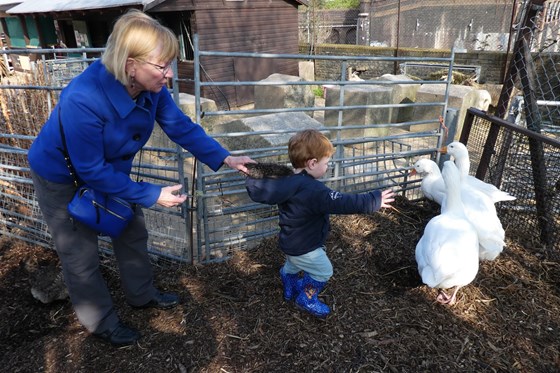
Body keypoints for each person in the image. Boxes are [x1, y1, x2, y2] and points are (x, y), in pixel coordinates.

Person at [27, 9, 254, 347]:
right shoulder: (83, 99)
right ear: (130, 64)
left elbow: (179, 126)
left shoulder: (151, 88)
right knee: (79, 253)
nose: (170, 74)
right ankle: (100, 322)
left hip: (109, 173)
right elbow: (89, 169)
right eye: (162, 66)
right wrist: (150, 194)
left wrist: (224, 156)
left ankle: (141, 294)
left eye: (170, 64)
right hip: (63, 177)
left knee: (132, 231)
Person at [245, 129, 395, 318]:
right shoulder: (314, 190)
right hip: (305, 246)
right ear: (312, 163)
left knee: (293, 263)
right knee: (324, 271)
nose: (328, 166)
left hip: (290, 241)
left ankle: (288, 280)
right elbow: (342, 202)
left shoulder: (288, 181)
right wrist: (373, 200)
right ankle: (306, 299)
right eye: (326, 163)